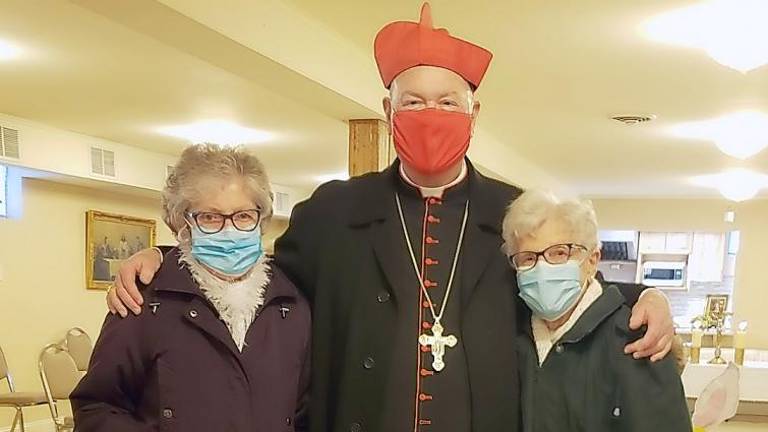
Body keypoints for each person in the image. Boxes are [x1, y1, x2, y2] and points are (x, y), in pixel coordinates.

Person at [106, 4, 675, 431]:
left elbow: (568, 279)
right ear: (388, 112)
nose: (431, 115)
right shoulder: (333, 211)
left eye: (448, 102)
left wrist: (647, 294)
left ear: (475, 112)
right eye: (413, 101)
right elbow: (255, 278)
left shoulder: (513, 210)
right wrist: (168, 255)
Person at [71, 144, 311, 432]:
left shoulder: (292, 303)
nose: (229, 230)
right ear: (181, 223)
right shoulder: (144, 301)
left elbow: (305, 411)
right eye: (209, 217)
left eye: (244, 215)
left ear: (262, 219)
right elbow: (96, 406)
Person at [503, 190, 691, 432]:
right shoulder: (510, 334)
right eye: (528, 258)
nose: (542, 268)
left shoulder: (637, 341)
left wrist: (653, 294)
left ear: (592, 259)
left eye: (559, 252)